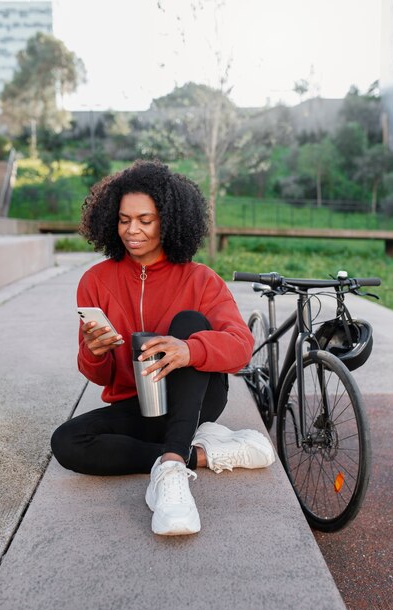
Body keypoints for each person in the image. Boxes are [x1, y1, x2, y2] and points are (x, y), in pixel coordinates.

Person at [51, 159, 275, 536]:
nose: (132, 230)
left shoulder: (200, 279)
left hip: (198, 398)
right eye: (124, 220)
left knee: (189, 322)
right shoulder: (95, 281)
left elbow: (241, 346)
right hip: (138, 404)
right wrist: (95, 351)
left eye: (145, 220)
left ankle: (171, 472)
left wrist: (190, 349)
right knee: (67, 442)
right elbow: (96, 375)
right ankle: (202, 452)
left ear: (168, 221)